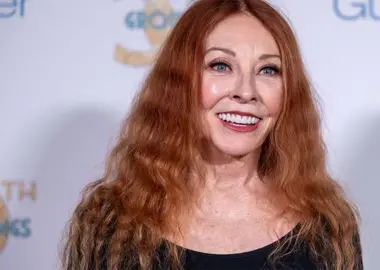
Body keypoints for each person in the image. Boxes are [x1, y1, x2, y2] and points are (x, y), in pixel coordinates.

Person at [60, 0, 363, 269]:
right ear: (180, 82)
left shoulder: (326, 226)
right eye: (220, 65)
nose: (246, 91)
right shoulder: (110, 223)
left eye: (268, 70)